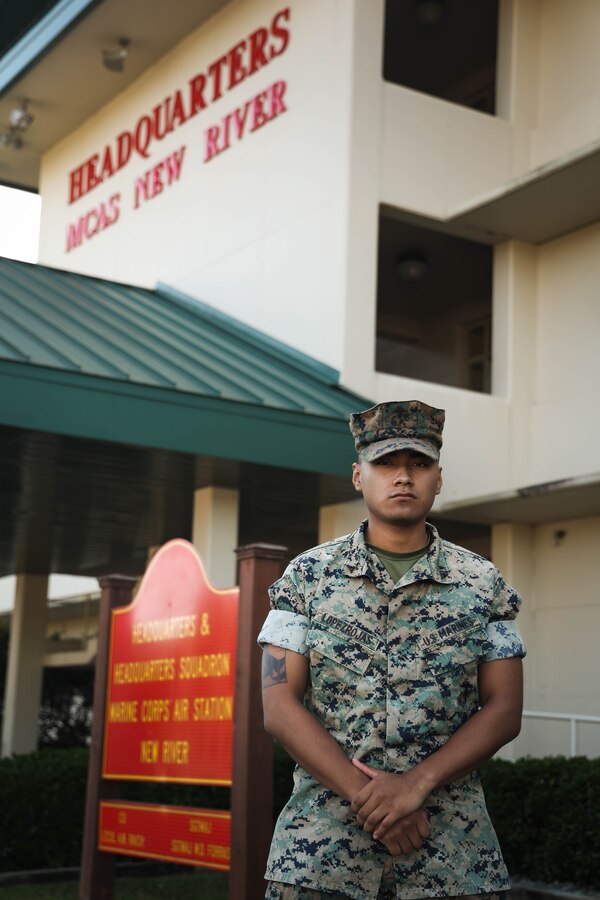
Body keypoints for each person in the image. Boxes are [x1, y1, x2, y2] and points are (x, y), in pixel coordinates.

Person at [258, 400, 526, 900]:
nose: (403, 477)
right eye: (386, 463)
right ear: (359, 475)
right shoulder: (306, 578)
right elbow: (278, 706)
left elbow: (505, 709)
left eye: (419, 464)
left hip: (452, 857)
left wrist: (416, 784)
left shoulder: (483, 583)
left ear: (439, 478)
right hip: (321, 859)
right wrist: (377, 801)